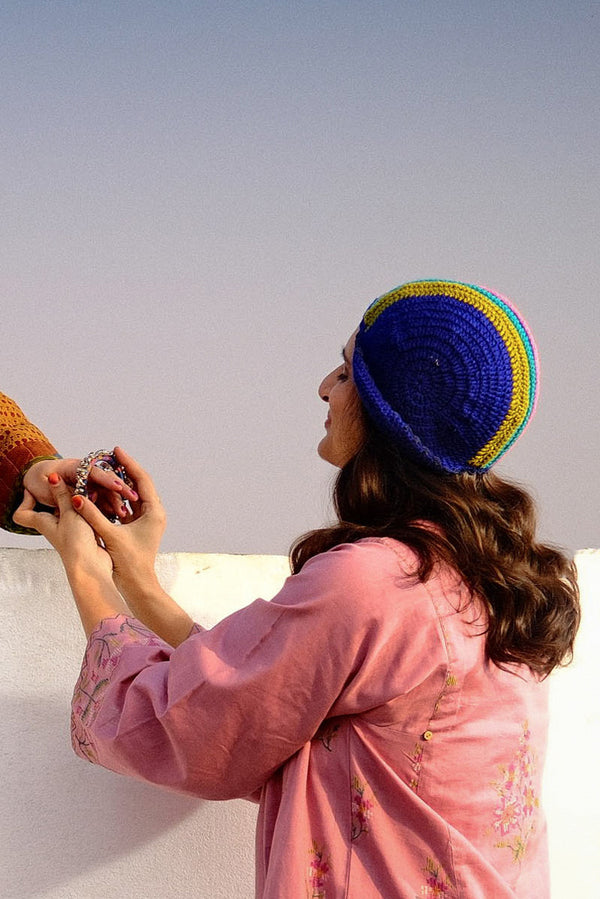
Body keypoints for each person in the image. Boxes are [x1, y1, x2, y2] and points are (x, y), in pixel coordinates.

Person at [3, 279, 579, 898]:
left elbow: (189, 729)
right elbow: (263, 692)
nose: (325, 387)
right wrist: (139, 581)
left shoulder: (373, 580)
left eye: (347, 372)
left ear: (387, 412)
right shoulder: (487, 576)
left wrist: (85, 568)